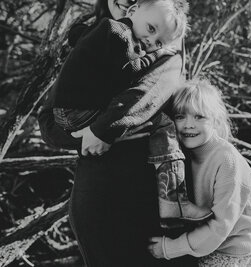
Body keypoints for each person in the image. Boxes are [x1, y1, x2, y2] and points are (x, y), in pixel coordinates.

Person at [38, 0, 198, 266]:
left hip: (142, 187)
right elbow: (49, 118)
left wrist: (100, 131)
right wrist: (83, 139)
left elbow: (143, 95)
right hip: (93, 188)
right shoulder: (95, 39)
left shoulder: (166, 54)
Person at [148, 79, 251, 266]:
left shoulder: (227, 161)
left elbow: (221, 226)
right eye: (180, 117)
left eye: (199, 117)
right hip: (206, 246)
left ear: (215, 119)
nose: (188, 124)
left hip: (233, 253)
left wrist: (170, 248)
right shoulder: (182, 155)